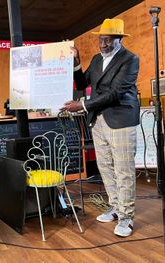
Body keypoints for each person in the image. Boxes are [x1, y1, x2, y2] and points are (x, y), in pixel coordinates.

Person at [61, 18, 140, 237]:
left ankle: (127, 217)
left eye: (108, 40)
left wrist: (83, 104)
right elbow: (82, 83)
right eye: (101, 40)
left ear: (119, 39)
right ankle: (115, 207)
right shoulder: (96, 60)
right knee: (105, 167)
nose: (103, 44)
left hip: (121, 119)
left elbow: (116, 92)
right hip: (98, 120)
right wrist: (76, 61)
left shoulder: (130, 59)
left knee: (123, 171)